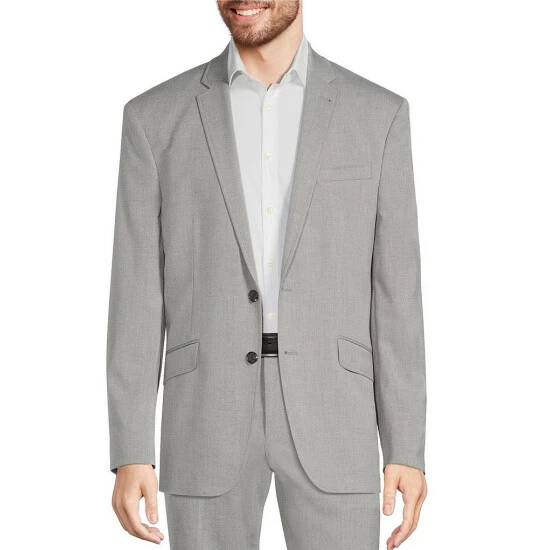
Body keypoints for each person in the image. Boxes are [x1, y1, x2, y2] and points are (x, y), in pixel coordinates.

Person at [107, 1, 428, 549]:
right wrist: (131, 446)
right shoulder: (153, 118)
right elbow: (136, 290)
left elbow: (396, 291)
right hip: (205, 412)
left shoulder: (379, 115)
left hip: (336, 411)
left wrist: (406, 445)